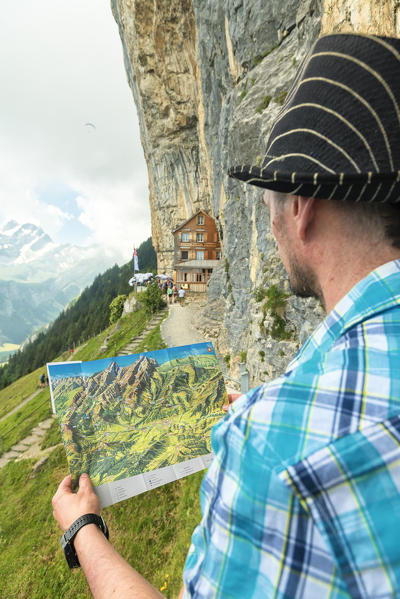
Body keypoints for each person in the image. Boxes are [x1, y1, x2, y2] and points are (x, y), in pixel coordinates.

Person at [52, 33, 400, 598]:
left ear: (301, 206)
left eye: (268, 202)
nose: (269, 223)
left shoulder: (267, 445)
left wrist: (83, 530)